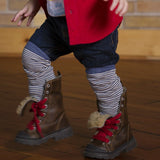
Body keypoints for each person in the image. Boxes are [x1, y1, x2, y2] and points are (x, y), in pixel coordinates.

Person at [12, 0, 136, 159]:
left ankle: (117, 128)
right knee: (33, 57)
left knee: (100, 76)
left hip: (93, 20)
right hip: (58, 22)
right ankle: (51, 117)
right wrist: (35, 2)